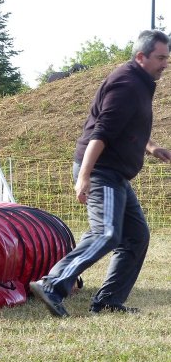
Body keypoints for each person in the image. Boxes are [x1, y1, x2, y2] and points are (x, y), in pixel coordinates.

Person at [30, 30, 171, 317]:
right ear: (141, 56)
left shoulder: (143, 82)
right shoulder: (127, 83)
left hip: (116, 174)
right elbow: (102, 131)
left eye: (167, 58)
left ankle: (107, 302)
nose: (165, 64)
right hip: (101, 170)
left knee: (137, 236)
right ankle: (52, 284)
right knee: (106, 233)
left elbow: (128, 127)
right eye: (160, 58)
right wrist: (85, 176)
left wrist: (154, 148)